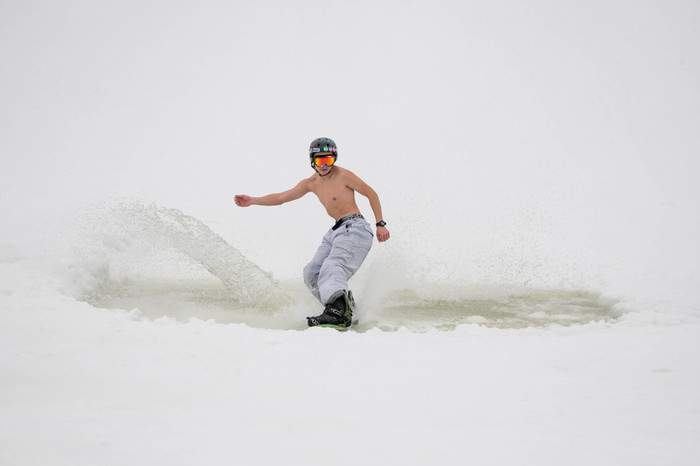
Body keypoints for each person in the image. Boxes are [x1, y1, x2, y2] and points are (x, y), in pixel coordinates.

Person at [234, 137, 390, 329]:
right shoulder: (310, 183)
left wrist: (380, 223)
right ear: (312, 161)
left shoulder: (343, 175)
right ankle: (344, 308)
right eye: (319, 160)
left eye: (329, 160)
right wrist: (253, 200)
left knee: (332, 266)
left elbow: (371, 193)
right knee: (312, 273)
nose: (324, 165)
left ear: (335, 159)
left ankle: (337, 313)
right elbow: (282, 197)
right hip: (336, 230)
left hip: (355, 228)